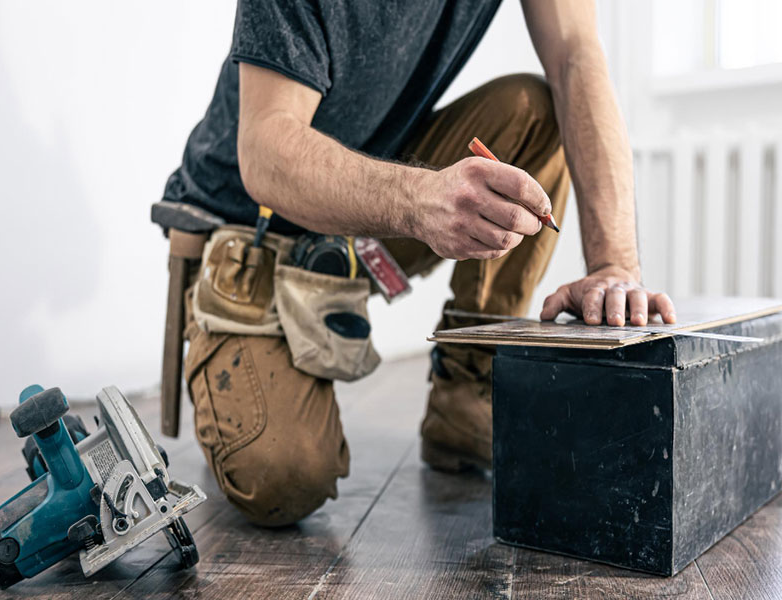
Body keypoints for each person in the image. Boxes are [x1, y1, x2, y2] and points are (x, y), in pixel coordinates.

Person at [163, 0, 676, 527]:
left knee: (534, 110)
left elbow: (575, 57)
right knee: (285, 481)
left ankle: (465, 393)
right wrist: (418, 200)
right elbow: (265, 150)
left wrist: (615, 264)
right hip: (251, 228)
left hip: (362, 205)